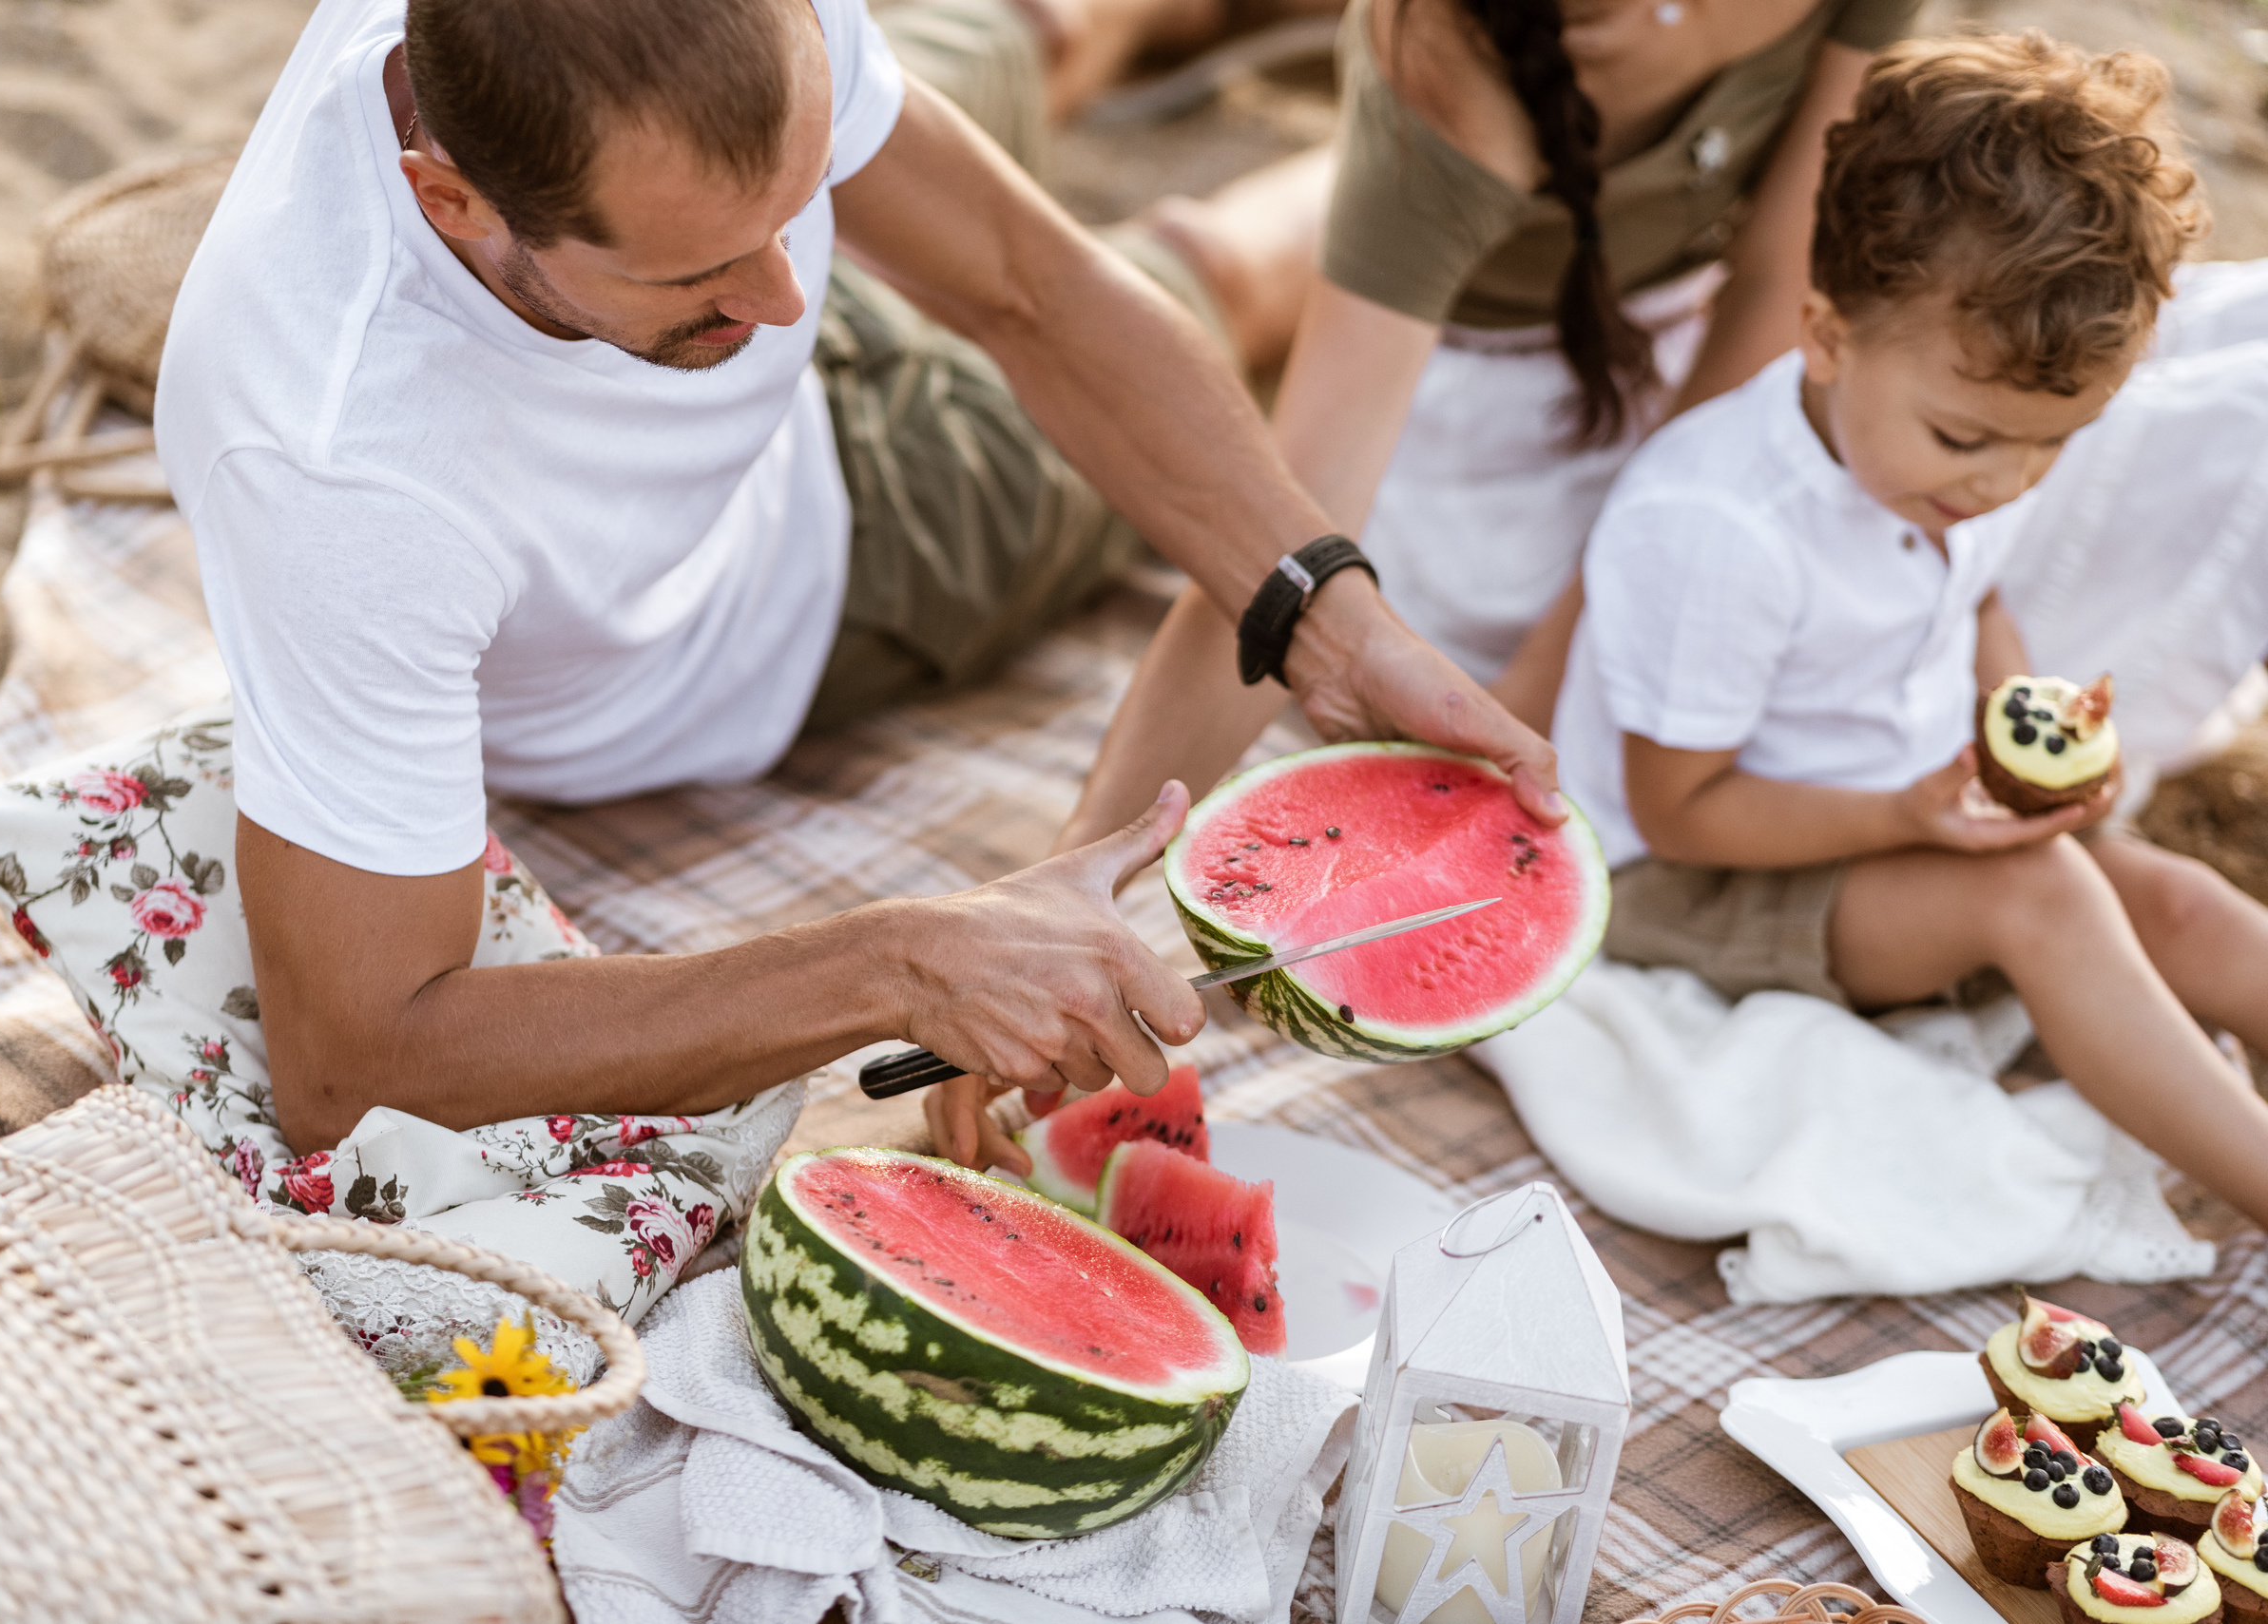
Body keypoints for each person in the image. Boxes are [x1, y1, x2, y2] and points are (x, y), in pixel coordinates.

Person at [154, 0, 1559, 1154]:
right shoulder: (343, 481)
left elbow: (1024, 279)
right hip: (836, 551)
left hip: (713, 207)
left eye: (795, 206)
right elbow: (354, 1060)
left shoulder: (740, 69)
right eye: (711, 268)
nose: (786, 304)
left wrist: (1316, 605)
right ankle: (1369, 168)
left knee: (992, 42)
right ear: (450, 200)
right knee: (1211, 277)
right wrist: (895, 960)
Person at [1548, 31, 2268, 1228]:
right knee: (2041, 902)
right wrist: (1910, 814)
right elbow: (1679, 808)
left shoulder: (1934, 468)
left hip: (1897, 809)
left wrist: (2013, 721)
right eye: (1968, 439)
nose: (2006, 484)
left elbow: (1975, 597)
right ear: (1825, 336)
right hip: (1684, 879)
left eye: (2054, 444)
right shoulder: (1719, 527)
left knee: (2180, 903)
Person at [1048, 0, 1920, 874]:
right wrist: (1082, 868)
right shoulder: (1445, 63)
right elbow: (1282, 541)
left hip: (1694, 377)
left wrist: (1571, 641)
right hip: (1473, 423)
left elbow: (1775, 287)